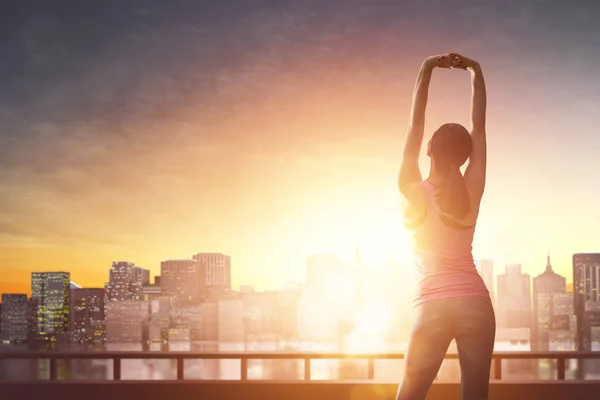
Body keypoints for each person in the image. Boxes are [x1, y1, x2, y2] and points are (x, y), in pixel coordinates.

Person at [396, 53, 495, 400]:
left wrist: (426, 67)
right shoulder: (471, 190)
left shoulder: (411, 192)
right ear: (465, 157)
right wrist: (475, 69)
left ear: (429, 150)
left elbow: (414, 125)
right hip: (476, 302)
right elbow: (479, 128)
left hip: (432, 305)